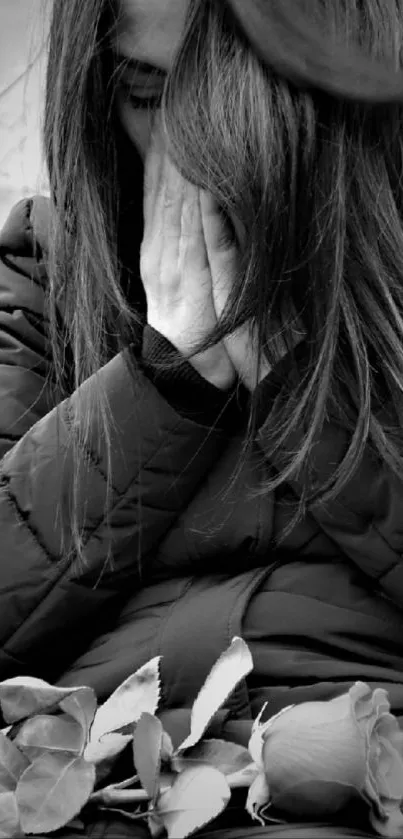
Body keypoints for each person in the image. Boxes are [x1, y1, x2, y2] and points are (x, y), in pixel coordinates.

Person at [1, 0, 403, 836]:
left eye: (235, 92)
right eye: (146, 95)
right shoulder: (47, 270)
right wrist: (165, 379)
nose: (193, 159)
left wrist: (303, 390)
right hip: (91, 784)